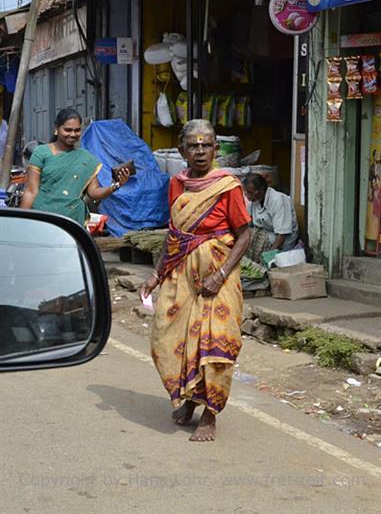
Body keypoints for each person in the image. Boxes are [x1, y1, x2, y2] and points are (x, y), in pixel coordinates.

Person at [141, 119, 251, 442]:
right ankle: (188, 399)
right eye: (194, 145)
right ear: (182, 150)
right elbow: (173, 234)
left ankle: (210, 414)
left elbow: (244, 235)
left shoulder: (227, 185)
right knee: (169, 336)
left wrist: (219, 275)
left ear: (215, 149)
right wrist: (155, 274)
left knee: (214, 343)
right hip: (181, 274)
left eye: (207, 145)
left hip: (219, 275)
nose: (201, 151)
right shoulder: (176, 184)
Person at [20, 108, 130, 224]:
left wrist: (116, 185)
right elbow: (31, 191)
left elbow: (93, 193)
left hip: (73, 220)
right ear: (56, 129)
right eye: (68, 130)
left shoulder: (87, 159)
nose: (72, 134)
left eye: (77, 130)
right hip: (44, 218)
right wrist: (21, 222)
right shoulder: (41, 153)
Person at [245, 173, 299, 263]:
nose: (247, 195)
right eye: (246, 192)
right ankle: (254, 263)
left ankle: (261, 263)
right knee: (248, 235)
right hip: (267, 232)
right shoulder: (254, 201)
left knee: (260, 238)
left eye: (250, 192)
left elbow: (282, 234)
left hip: (282, 239)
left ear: (261, 190)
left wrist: (269, 255)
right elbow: (247, 223)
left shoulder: (278, 200)